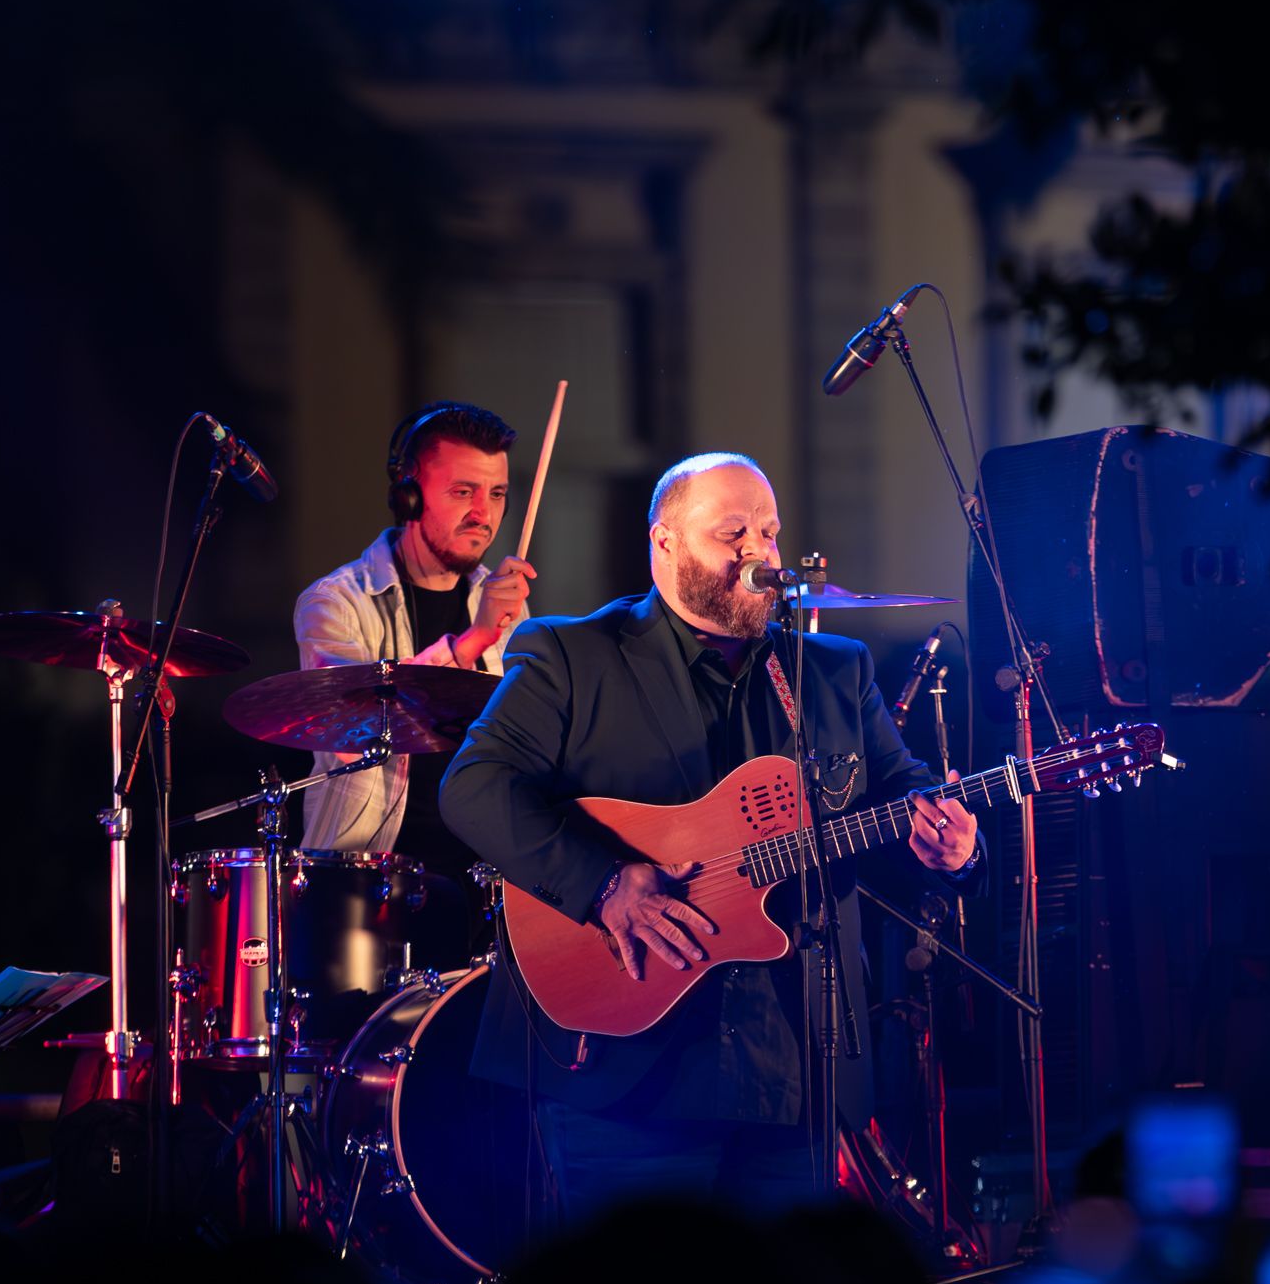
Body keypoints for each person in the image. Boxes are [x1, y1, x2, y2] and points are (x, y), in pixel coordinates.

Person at [440, 451, 980, 1222]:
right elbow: (474, 787)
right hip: (626, 1068)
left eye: (769, 531)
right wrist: (603, 882)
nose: (760, 551)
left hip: (794, 1067)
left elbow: (898, 803)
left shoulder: (832, 672)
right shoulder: (573, 655)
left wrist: (952, 848)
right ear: (666, 543)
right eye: (734, 533)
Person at [289, 403, 541, 930]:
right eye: (462, 492)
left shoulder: (504, 606)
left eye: (496, 494)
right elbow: (346, 726)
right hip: (363, 888)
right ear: (409, 494)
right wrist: (471, 642)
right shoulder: (334, 602)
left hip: (480, 884)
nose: (484, 514)